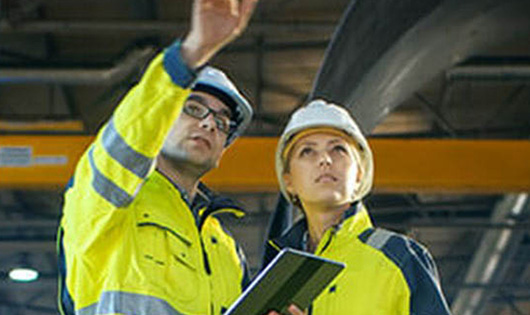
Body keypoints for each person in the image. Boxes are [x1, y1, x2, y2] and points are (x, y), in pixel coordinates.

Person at [55, 0, 296, 314]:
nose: (209, 123)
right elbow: (129, 132)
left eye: (222, 122)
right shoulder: (107, 203)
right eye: (193, 108)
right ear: (162, 116)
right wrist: (191, 54)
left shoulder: (225, 249)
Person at [263, 99, 451, 314]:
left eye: (338, 149)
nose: (325, 159)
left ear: (359, 175)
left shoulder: (401, 259)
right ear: (289, 181)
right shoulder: (277, 278)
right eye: (307, 151)